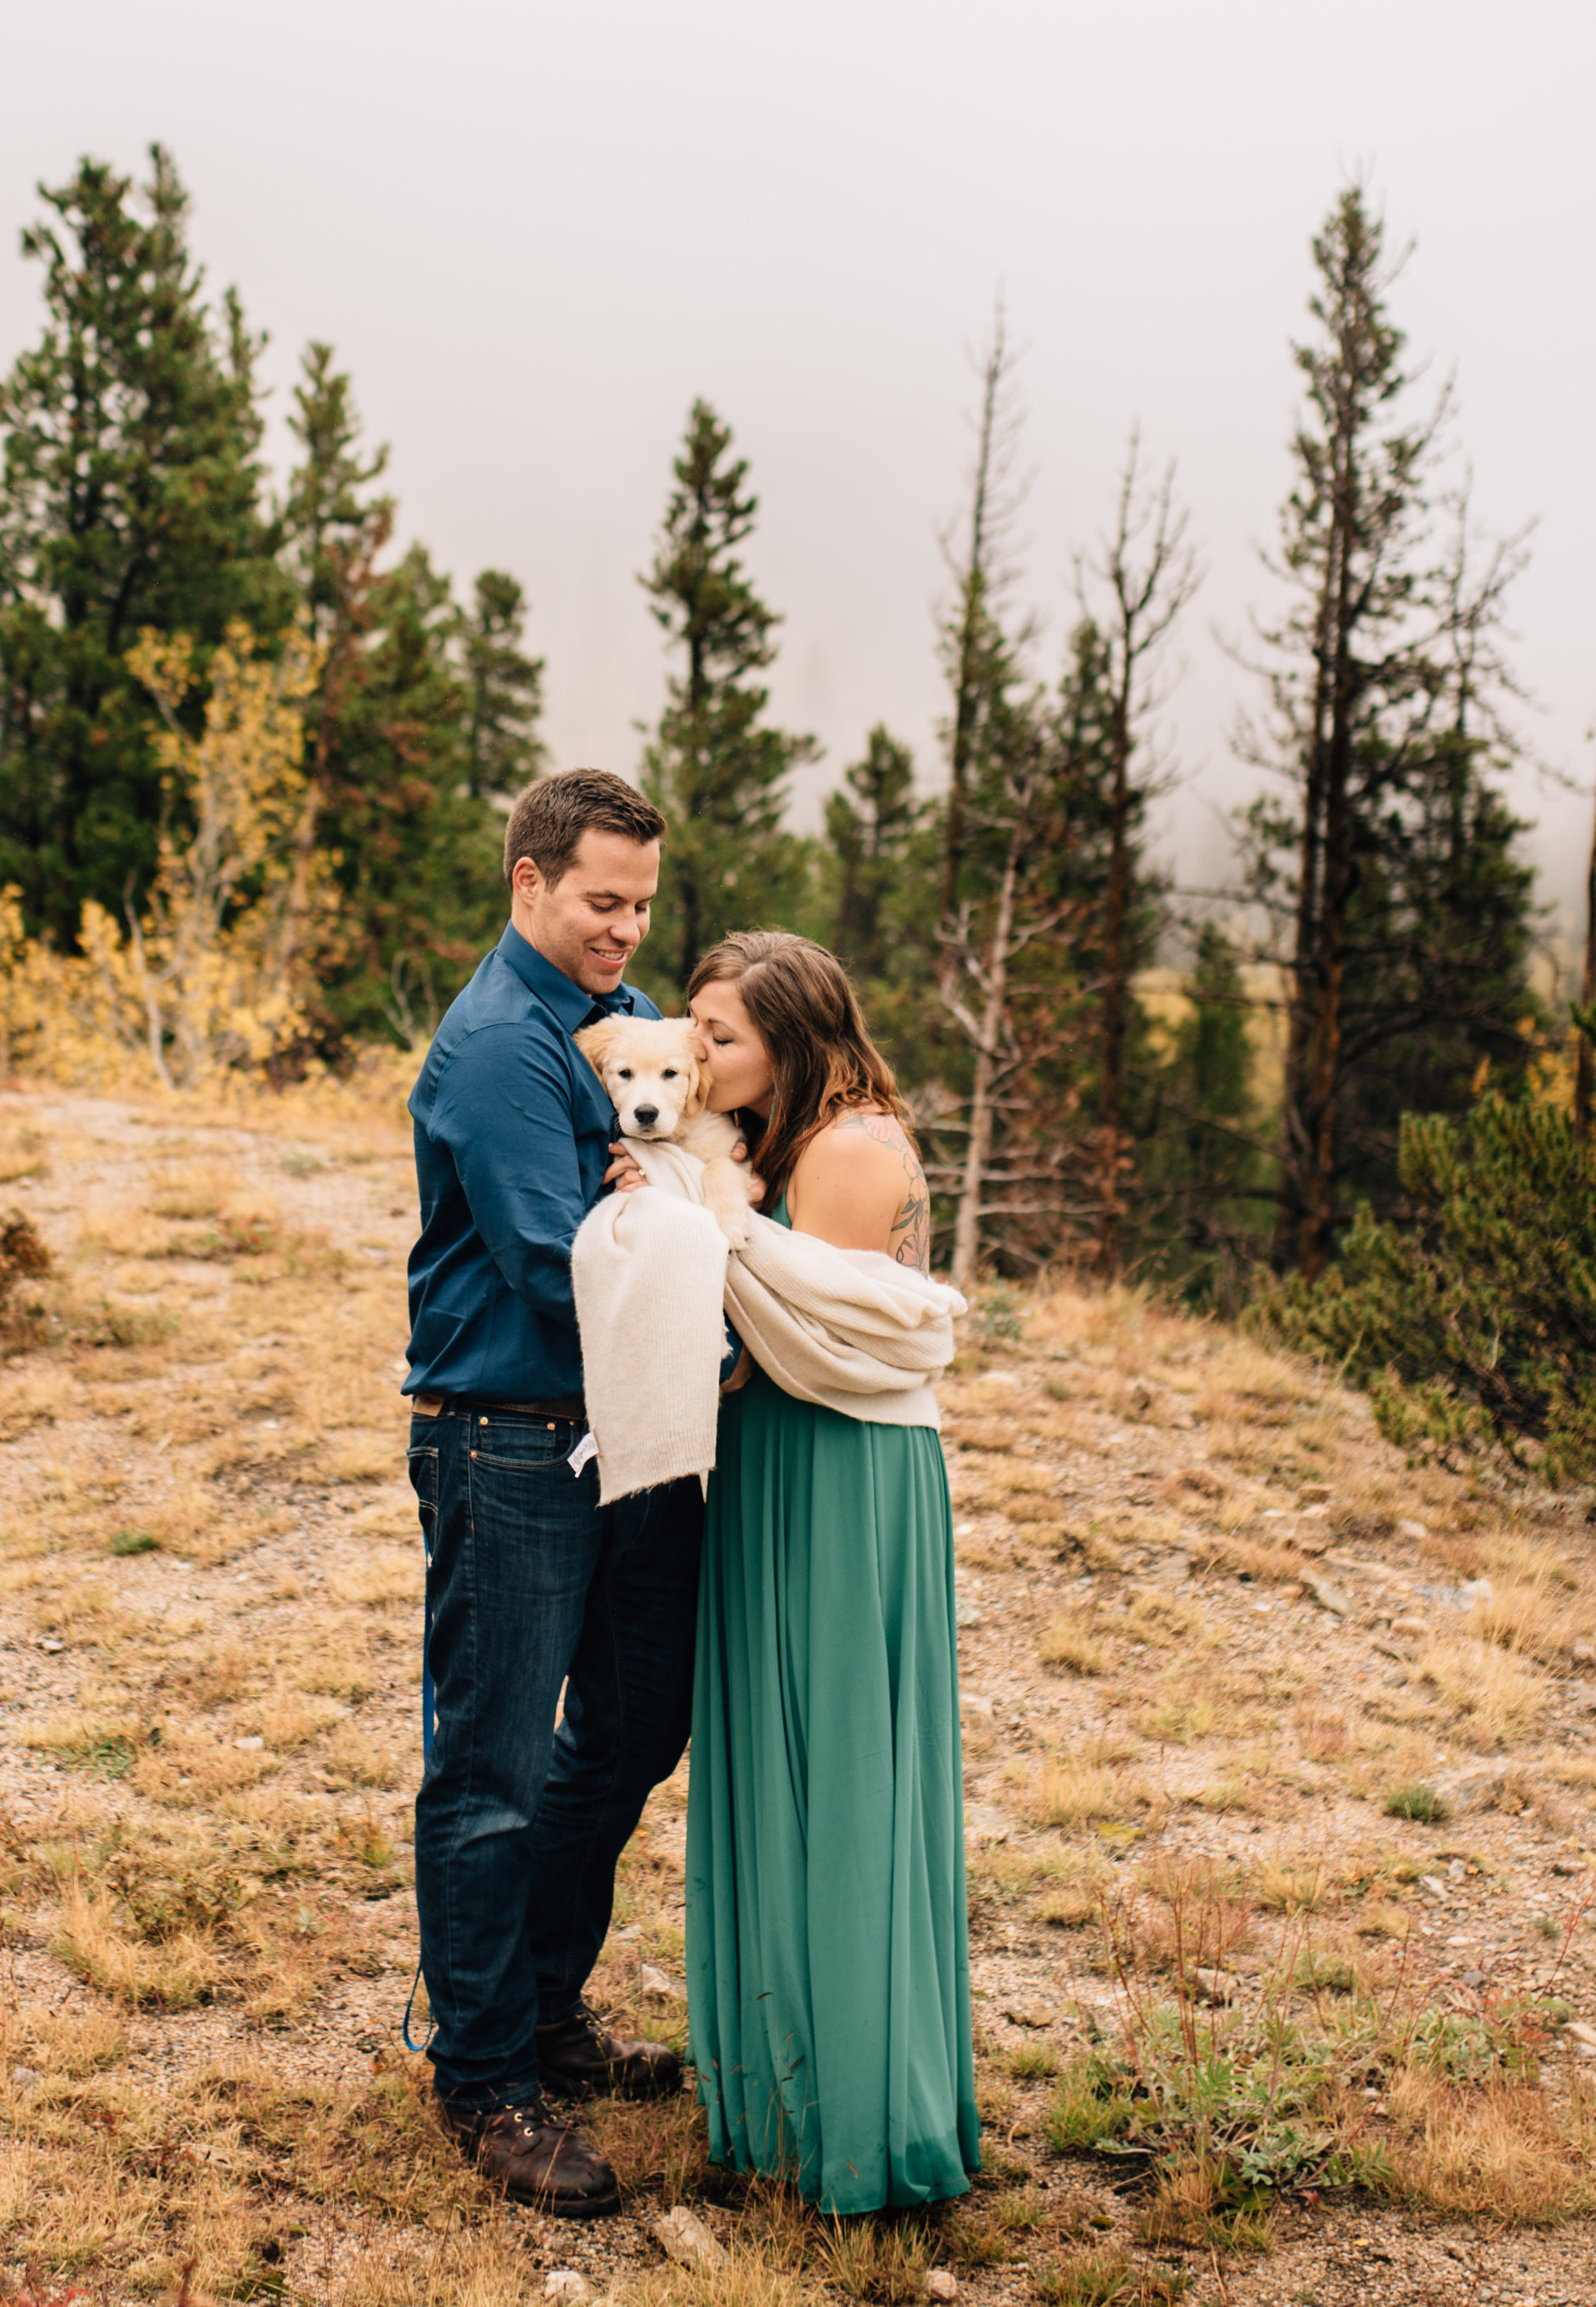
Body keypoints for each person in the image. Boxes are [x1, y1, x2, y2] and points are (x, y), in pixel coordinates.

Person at [403, 767, 704, 2217]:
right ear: (528, 882)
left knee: (643, 1716)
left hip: (619, 1428)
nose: (623, 929)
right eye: (600, 900)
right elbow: (555, 1260)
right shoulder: (500, 1050)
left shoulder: (603, 1033)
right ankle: (485, 2079)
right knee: (495, 1768)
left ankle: (540, 2000)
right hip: (508, 1436)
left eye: (641, 904)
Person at [683, 929, 979, 2214]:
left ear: (791, 1044)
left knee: (845, 1770)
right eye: (692, 1029)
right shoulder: (772, 1147)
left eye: (722, 1037)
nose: (696, 1057)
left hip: (841, 1473)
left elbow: (832, 1341)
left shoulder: (847, 1149)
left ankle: (855, 2117)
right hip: (779, 1464)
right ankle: (782, 2097)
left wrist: (715, 1228)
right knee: (777, 1762)